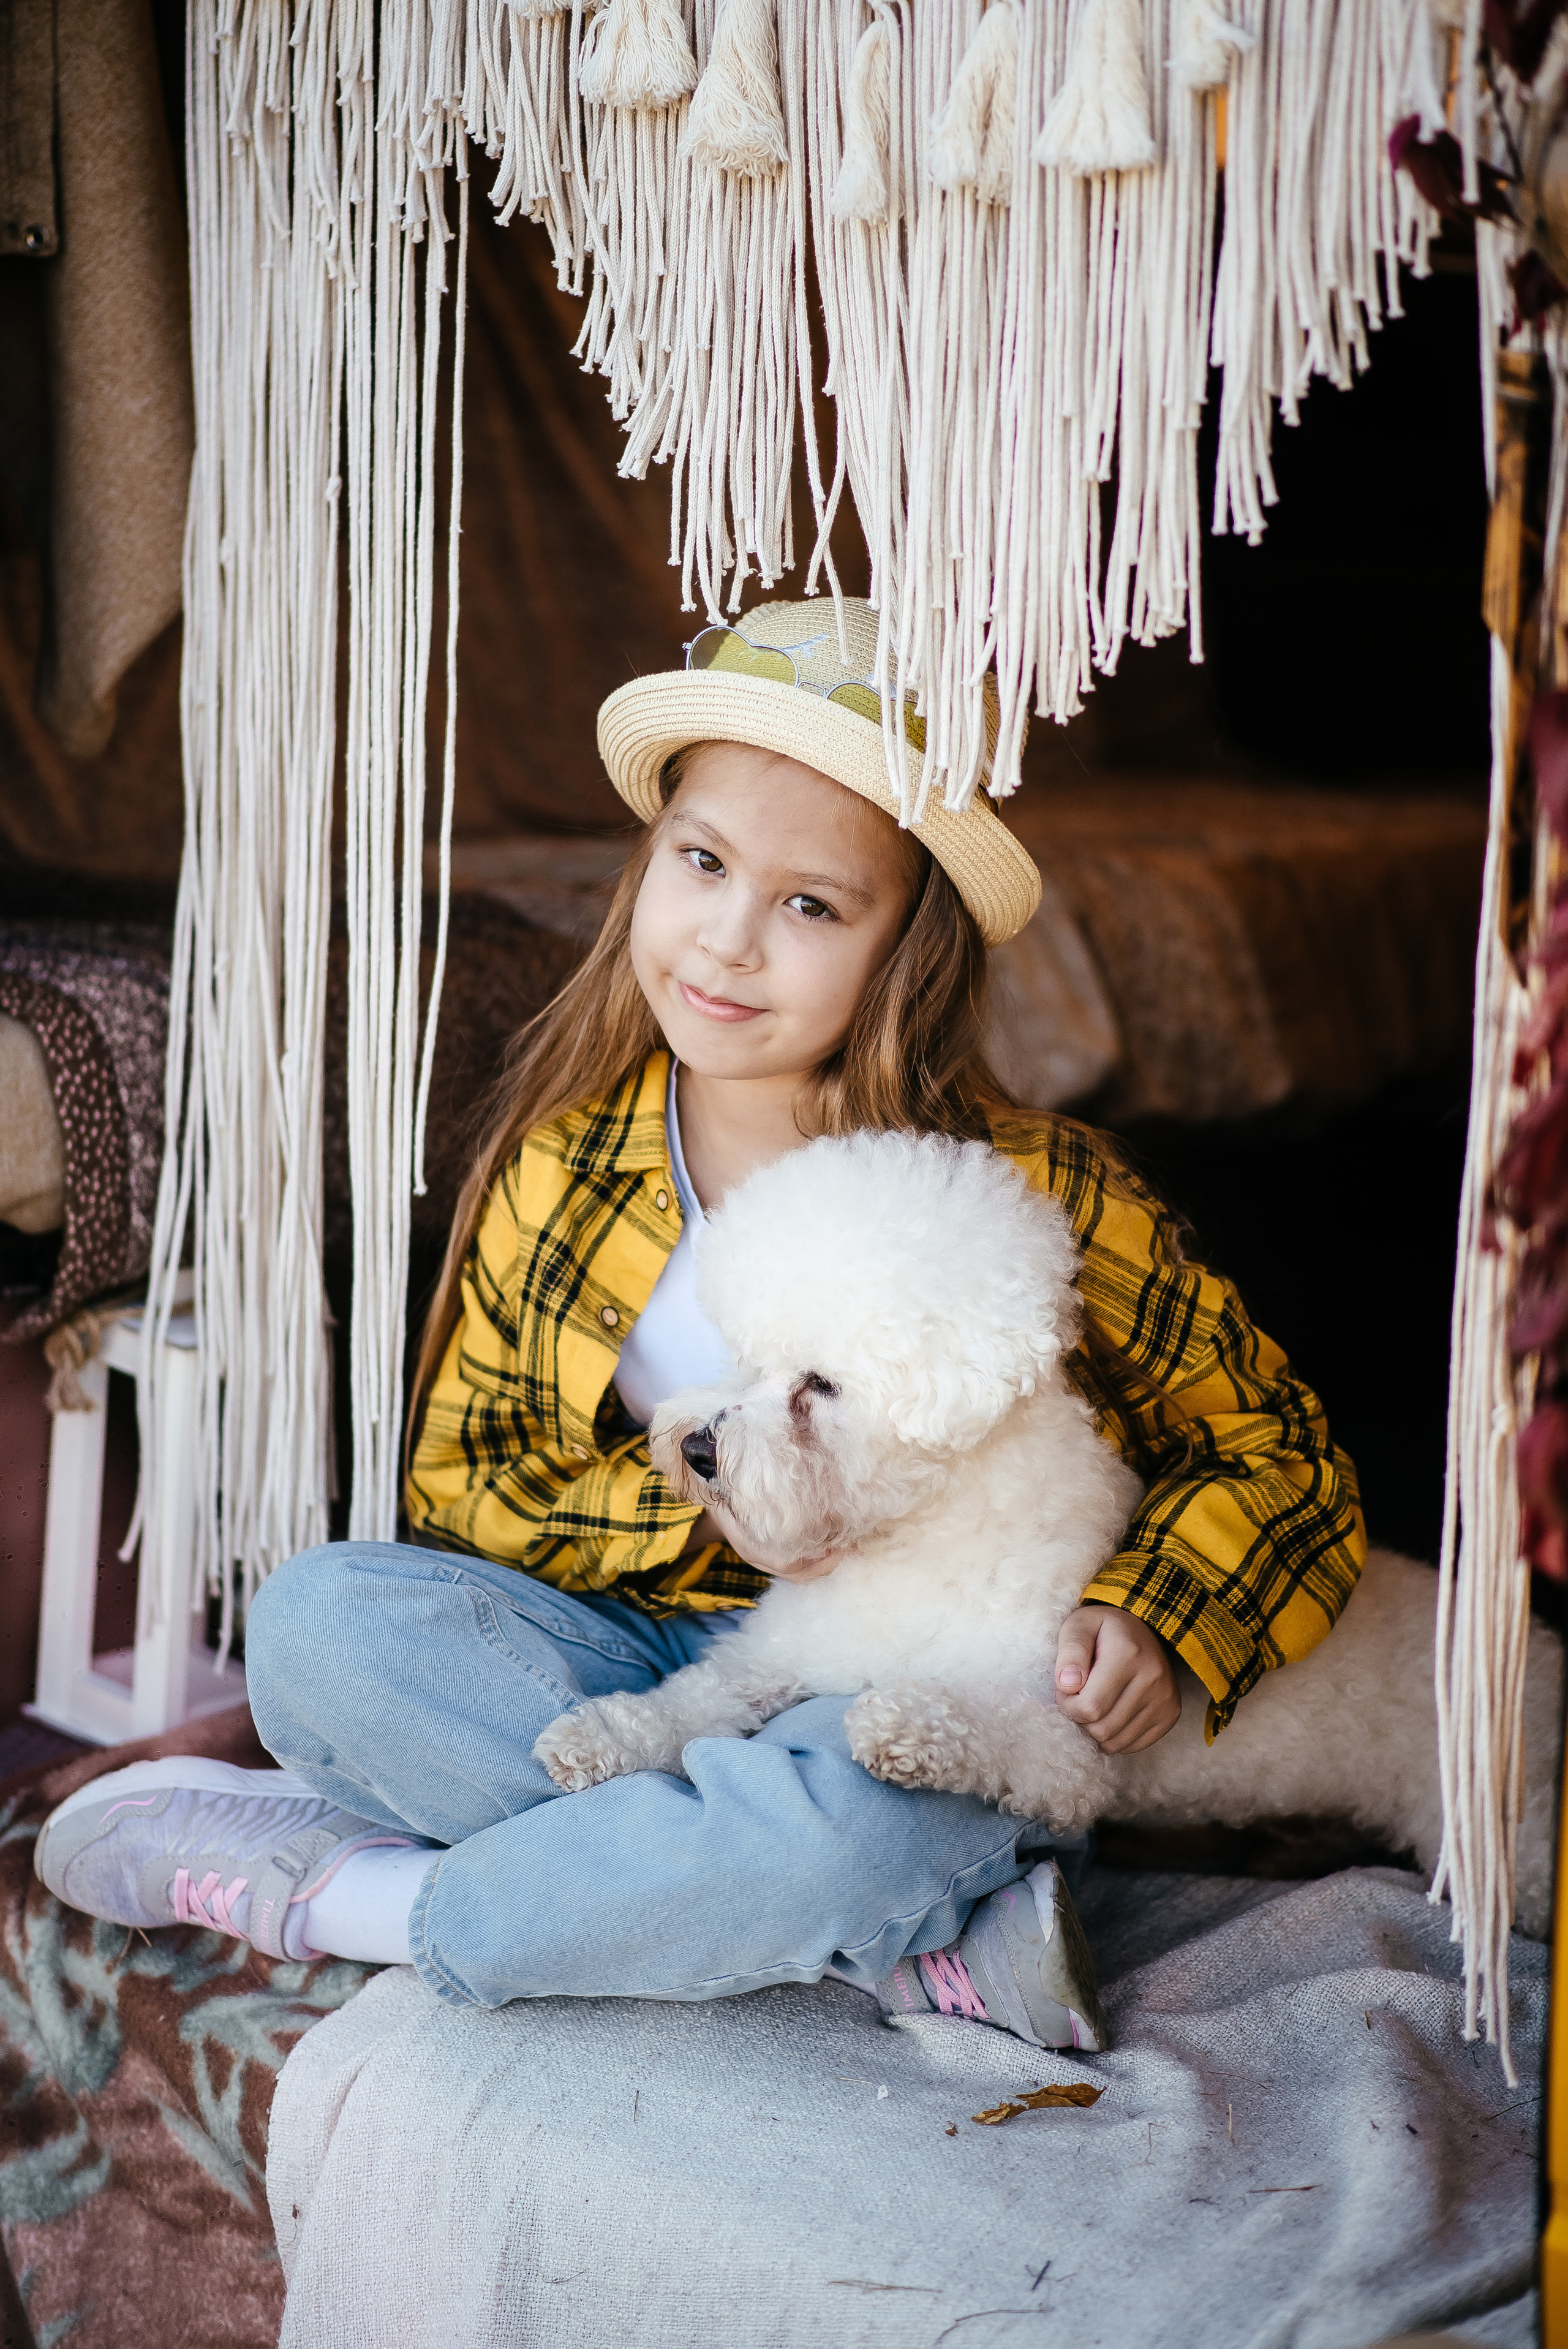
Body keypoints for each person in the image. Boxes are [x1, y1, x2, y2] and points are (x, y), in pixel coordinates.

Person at [35, 597, 1365, 2052]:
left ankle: (364, 1900)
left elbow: (1279, 1459)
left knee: (888, 1803)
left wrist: (1159, 1618)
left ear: (904, 946)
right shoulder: (566, 1172)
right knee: (318, 1630)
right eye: (703, 862)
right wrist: (724, 1505)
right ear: (649, 860)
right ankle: (857, 1928)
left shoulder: (1030, 1200)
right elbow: (465, 1489)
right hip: (637, 1657)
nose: (728, 942)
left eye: (811, 906)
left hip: (898, 1685)